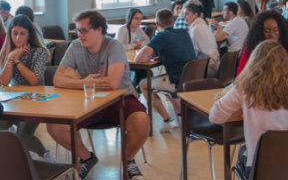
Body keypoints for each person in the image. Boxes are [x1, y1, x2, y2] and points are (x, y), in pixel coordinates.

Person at [46, 10, 149, 180]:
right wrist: (83, 82)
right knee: (54, 126)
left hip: (120, 99)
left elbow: (112, 83)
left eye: (84, 30)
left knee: (141, 121)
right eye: (78, 30)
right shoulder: (75, 46)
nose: (80, 34)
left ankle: (128, 161)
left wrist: (77, 78)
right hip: (88, 100)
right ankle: (87, 157)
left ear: (99, 29)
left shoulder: (113, 45)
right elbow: (57, 79)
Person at [210, 40, 288, 179]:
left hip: (261, 168)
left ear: (255, 61)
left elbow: (214, 116)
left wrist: (241, 110)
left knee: (244, 153)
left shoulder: (247, 85)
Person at [0, 15, 53, 162]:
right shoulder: (8, 52)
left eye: (22, 34)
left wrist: (17, 61)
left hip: (36, 101)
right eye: (14, 33)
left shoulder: (39, 51)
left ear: (29, 34)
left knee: (23, 137)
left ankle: (44, 154)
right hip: (15, 101)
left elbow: (34, 81)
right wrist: (11, 57)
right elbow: (3, 82)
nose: (18, 38)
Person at [135, 9, 196, 133]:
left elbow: (138, 59)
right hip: (191, 78)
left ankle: (167, 120)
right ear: (173, 22)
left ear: (157, 24)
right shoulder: (184, 32)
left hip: (176, 81)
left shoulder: (161, 36)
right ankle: (175, 118)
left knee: (143, 84)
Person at [237, 11, 288, 80]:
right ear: (259, 33)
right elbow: (241, 77)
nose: (272, 34)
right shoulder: (251, 49)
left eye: (275, 30)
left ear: (281, 30)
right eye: (267, 31)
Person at [184, 4, 220, 78]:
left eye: (187, 14)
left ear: (195, 15)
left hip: (208, 68)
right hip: (213, 64)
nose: (184, 17)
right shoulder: (201, 24)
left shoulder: (196, 28)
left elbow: (191, 53)